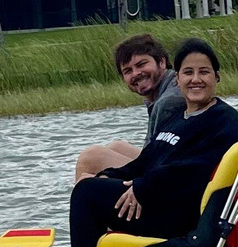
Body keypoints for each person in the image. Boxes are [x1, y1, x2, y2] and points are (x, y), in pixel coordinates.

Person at [47, 38, 238, 247]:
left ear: (217, 77)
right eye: (188, 72)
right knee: (92, 183)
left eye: (204, 72)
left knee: (87, 193)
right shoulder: (178, 119)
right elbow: (146, 160)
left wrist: (144, 186)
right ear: (178, 79)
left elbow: (197, 168)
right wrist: (108, 177)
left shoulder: (226, 119)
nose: (195, 79)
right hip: (159, 202)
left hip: (179, 215)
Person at [74, 34, 184, 181]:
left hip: (174, 178)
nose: (136, 74)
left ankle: (85, 199)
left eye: (141, 64)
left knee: (90, 158)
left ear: (162, 62)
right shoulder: (165, 93)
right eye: (128, 71)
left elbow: (159, 160)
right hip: (167, 165)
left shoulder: (169, 101)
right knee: (117, 147)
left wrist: (107, 177)